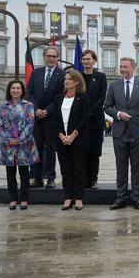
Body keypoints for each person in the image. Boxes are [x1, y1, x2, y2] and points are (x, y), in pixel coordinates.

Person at [104, 57, 139, 210]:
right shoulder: (113, 86)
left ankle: (137, 198)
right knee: (121, 167)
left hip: (138, 133)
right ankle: (121, 198)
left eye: (125, 67)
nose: (122, 69)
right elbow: (107, 107)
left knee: (137, 167)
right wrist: (118, 114)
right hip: (119, 133)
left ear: (133, 67)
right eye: (121, 67)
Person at [0, 81, 39, 210]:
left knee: (24, 173)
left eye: (18, 88)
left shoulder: (28, 105)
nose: (15, 90)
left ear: (22, 90)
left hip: (24, 144)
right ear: (9, 90)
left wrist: (20, 139)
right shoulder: (3, 107)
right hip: (8, 145)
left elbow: (31, 123)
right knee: (10, 173)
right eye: (13, 88)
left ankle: (24, 199)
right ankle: (13, 199)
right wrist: (8, 139)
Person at [26, 45, 64, 188]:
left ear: (57, 58)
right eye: (48, 56)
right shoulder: (36, 73)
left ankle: (50, 177)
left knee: (50, 149)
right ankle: (37, 177)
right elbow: (30, 94)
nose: (51, 59)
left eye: (54, 56)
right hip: (36, 118)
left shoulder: (61, 74)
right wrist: (36, 109)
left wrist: (47, 111)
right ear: (44, 57)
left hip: (51, 118)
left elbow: (60, 97)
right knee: (36, 148)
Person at [53, 70, 90, 211]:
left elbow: (84, 118)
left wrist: (73, 135)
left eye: (69, 79)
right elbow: (55, 120)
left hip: (78, 140)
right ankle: (68, 197)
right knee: (65, 170)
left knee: (78, 170)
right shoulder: (58, 98)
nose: (66, 81)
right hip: (62, 140)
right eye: (65, 79)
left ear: (77, 81)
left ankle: (79, 198)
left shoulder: (83, 97)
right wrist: (61, 135)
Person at [80, 49, 107, 189]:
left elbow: (102, 97)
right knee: (83, 151)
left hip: (95, 120)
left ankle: (94, 179)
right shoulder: (77, 77)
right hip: (80, 122)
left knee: (94, 152)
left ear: (94, 61)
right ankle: (84, 179)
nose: (86, 62)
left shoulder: (101, 77)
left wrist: (89, 112)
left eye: (89, 59)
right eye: (84, 59)